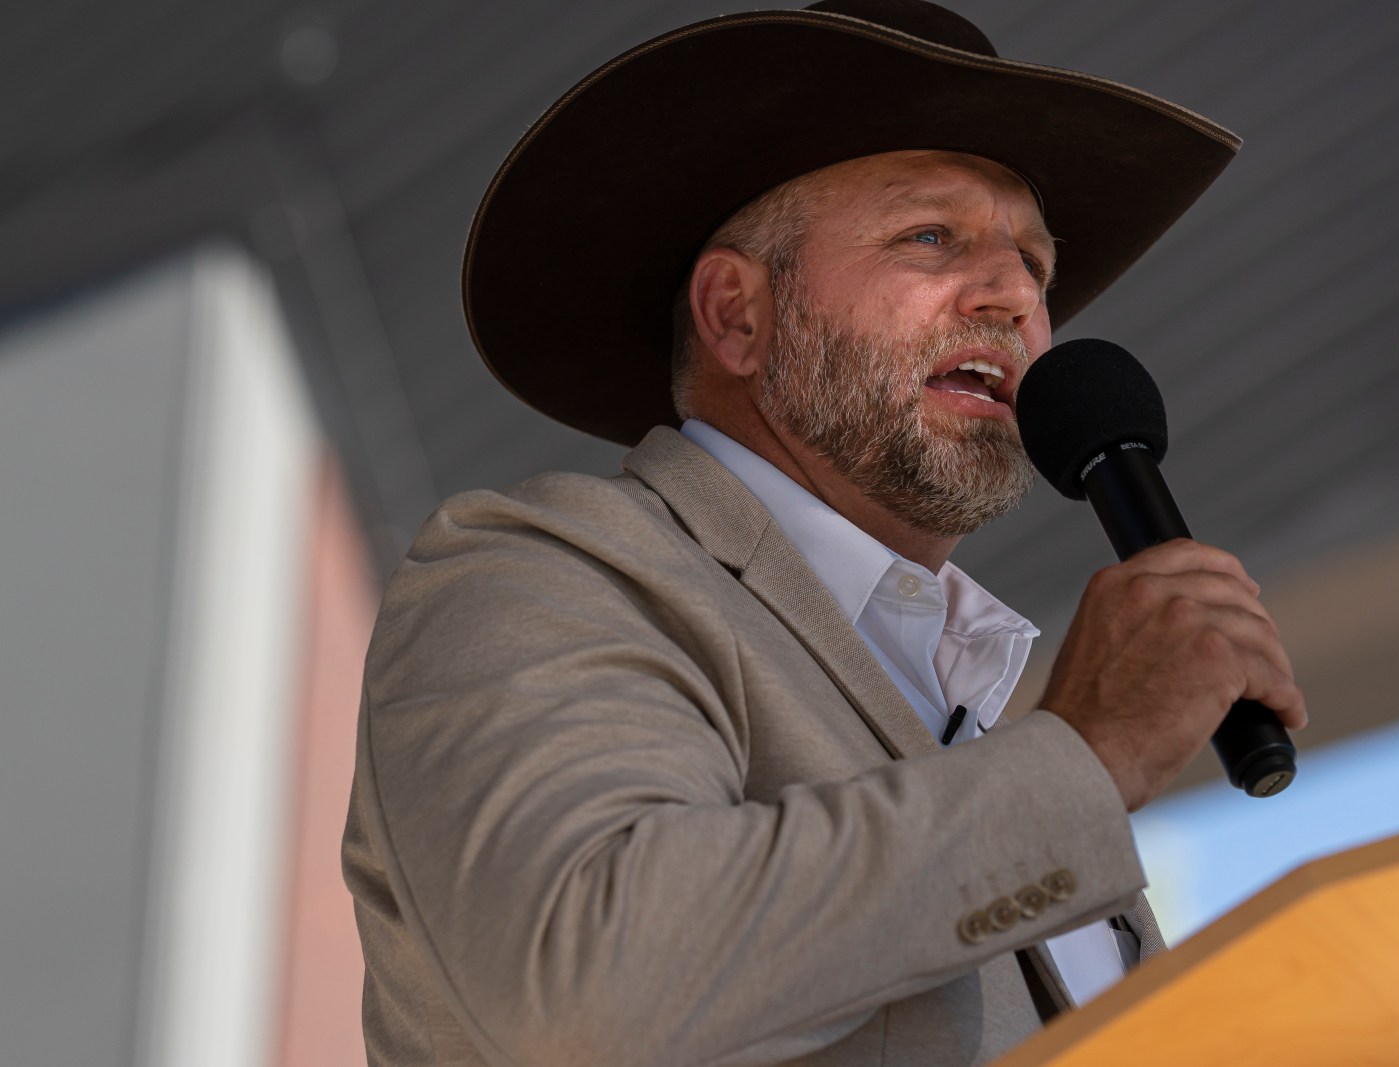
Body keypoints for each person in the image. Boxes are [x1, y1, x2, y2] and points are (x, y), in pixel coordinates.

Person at [342, 2, 1307, 1065]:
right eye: (931, 236)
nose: (1012, 297)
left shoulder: (966, 721)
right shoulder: (537, 568)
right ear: (737, 315)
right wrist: (1086, 752)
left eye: (1034, 265)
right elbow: (587, 983)